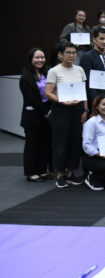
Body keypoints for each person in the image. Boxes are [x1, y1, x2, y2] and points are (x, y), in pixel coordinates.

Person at [44, 42, 88, 188]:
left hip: (77, 109)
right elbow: (48, 93)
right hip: (61, 110)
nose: (71, 55)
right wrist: (62, 101)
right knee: (60, 143)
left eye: (74, 53)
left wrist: (85, 110)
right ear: (61, 55)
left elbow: (83, 92)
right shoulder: (54, 71)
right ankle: (60, 174)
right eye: (68, 52)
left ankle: (70, 173)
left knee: (75, 142)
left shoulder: (80, 69)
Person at [19, 47, 52, 182]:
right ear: (31, 59)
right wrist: (46, 111)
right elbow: (31, 98)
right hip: (33, 116)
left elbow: (51, 92)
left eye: (42, 57)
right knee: (32, 145)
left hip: (47, 115)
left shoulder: (47, 73)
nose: (40, 60)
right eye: (37, 57)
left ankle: (42, 170)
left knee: (44, 144)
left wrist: (50, 109)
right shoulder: (25, 77)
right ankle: (31, 173)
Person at [80, 27, 105, 104]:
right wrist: (95, 101)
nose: (104, 42)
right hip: (95, 101)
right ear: (94, 39)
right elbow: (87, 82)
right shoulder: (87, 57)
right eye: (101, 39)